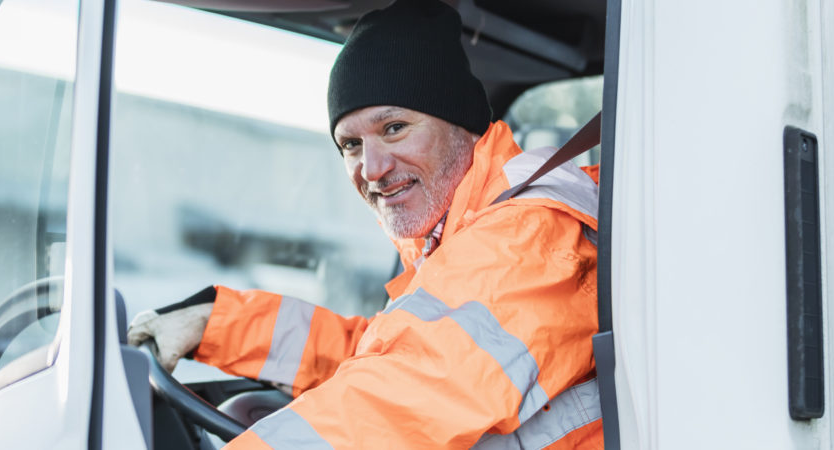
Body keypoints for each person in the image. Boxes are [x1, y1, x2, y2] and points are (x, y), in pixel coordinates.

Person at [128, 0, 603, 447]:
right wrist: (217, 324)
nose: (371, 169)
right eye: (350, 145)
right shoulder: (453, 238)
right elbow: (382, 356)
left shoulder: (531, 235)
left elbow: (404, 398)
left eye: (393, 128)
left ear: (465, 127)